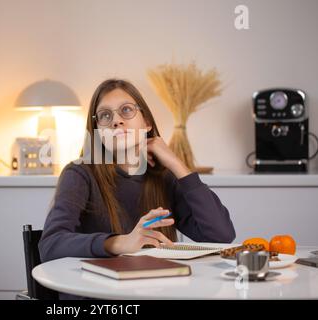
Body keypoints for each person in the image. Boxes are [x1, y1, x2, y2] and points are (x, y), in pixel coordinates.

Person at [38, 79, 236, 299]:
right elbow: (50, 244)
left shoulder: (163, 178)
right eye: (105, 115)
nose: (116, 121)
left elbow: (221, 235)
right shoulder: (80, 174)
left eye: (126, 110)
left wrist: (177, 165)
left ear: (147, 123)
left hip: (157, 293)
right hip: (97, 298)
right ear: (97, 132)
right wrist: (121, 242)